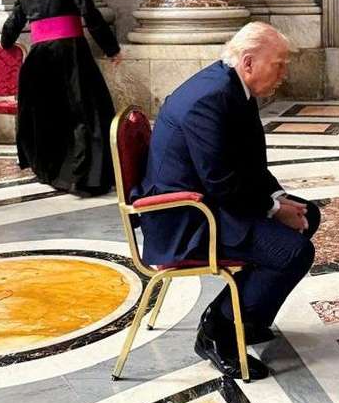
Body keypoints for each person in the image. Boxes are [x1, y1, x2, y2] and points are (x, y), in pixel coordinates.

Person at [131, 22, 321, 380]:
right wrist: (274, 210)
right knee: (293, 253)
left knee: (310, 215)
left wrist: (278, 198)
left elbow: (247, 163)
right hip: (185, 217)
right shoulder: (210, 99)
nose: (284, 72)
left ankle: (247, 315)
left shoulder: (233, 86)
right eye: (278, 63)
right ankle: (218, 329)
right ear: (248, 62)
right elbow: (221, 181)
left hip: (211, 201)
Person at [1, 0, 121, 197]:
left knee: (48, 113)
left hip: (39, 58)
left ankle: (52, 169)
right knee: (86, 111)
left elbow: (12, 25)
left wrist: (5, 44)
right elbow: (91, 16)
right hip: (72, 54)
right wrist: (112, 48)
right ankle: (84, 176)